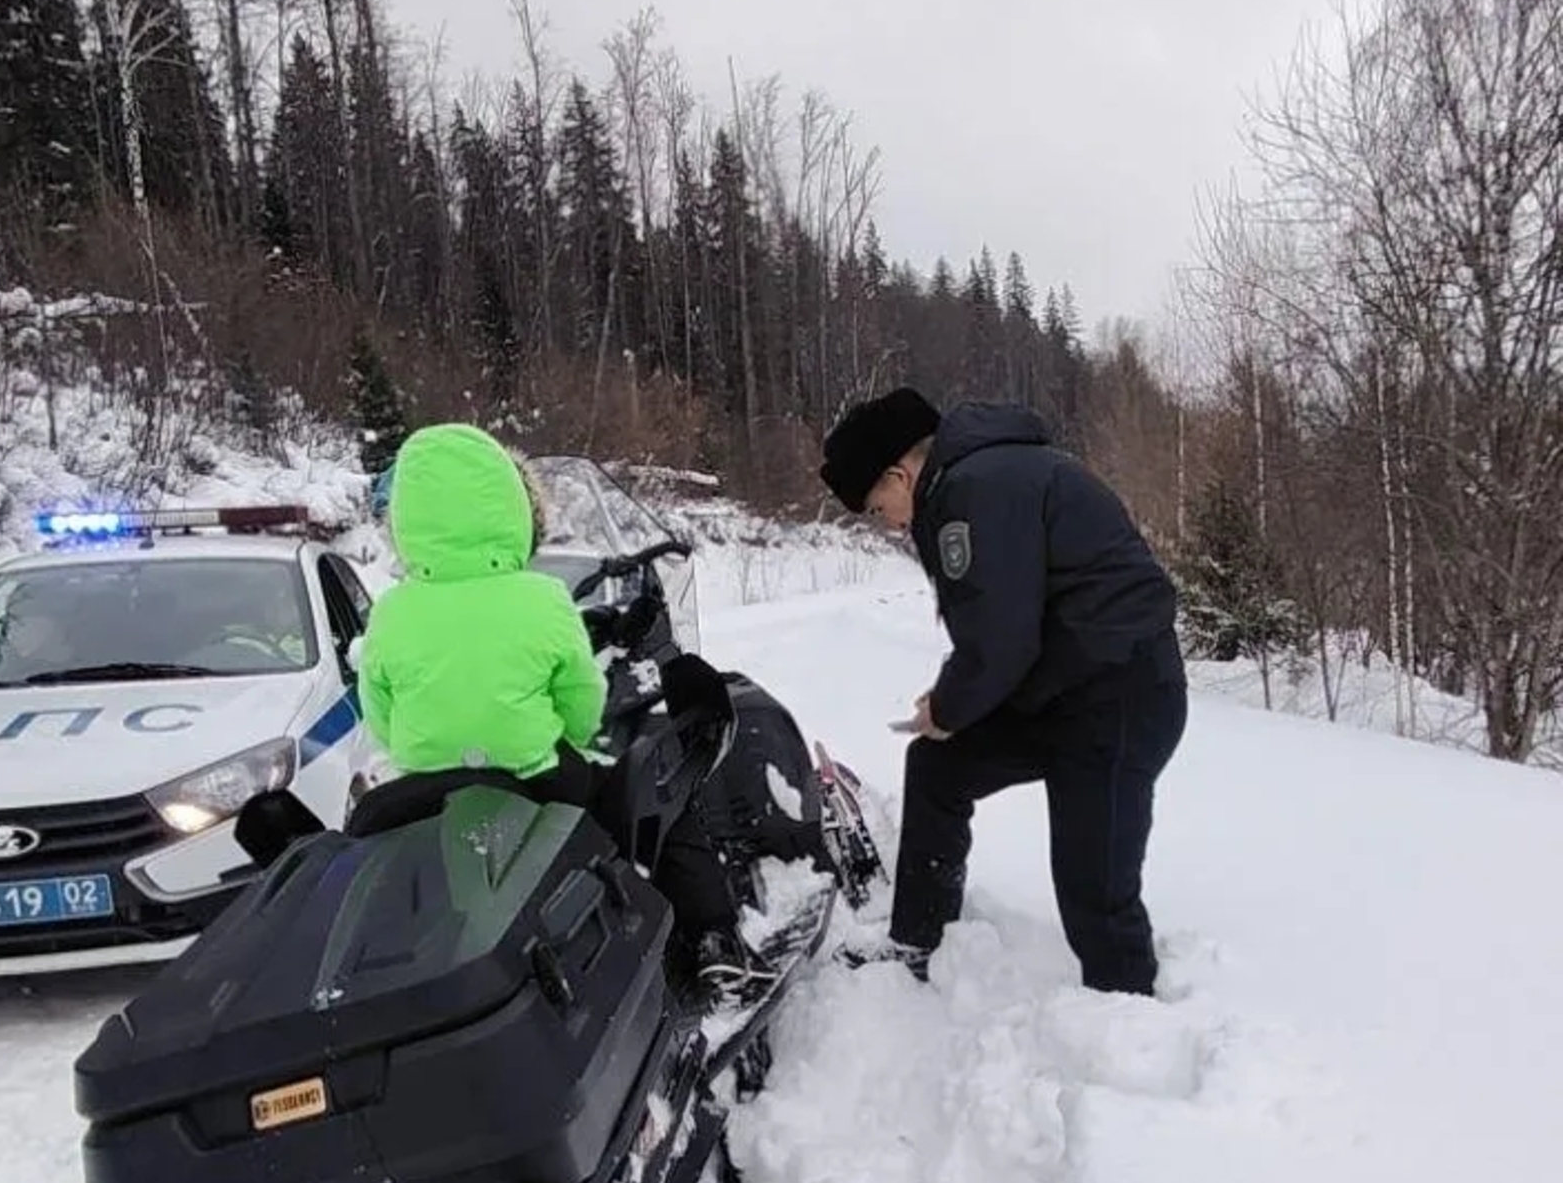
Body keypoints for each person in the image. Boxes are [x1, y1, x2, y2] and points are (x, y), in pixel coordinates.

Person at [357, 422, 751, 1001]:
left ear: (406, 520)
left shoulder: (391, 612)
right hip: (536, 777)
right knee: (657, 797)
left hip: (425, 786)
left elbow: (380, 713)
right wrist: (565, 735)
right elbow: (582, 701)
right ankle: (713, 936)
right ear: (511, 507)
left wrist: (429, 745)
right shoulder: (542, 598)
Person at [820, 388, 1186, 995]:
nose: (887, 523)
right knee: (940, 764)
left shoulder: (974, 490)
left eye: (878, 506)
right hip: (1062, 690)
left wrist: (948, 705)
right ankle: (920, 941)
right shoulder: (973, 481)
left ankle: (1130, 1030)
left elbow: (1001, 640)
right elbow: (1005, 629)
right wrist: (952, 710)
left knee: (1093, 888)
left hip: (1119, 695)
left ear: (899, 473)